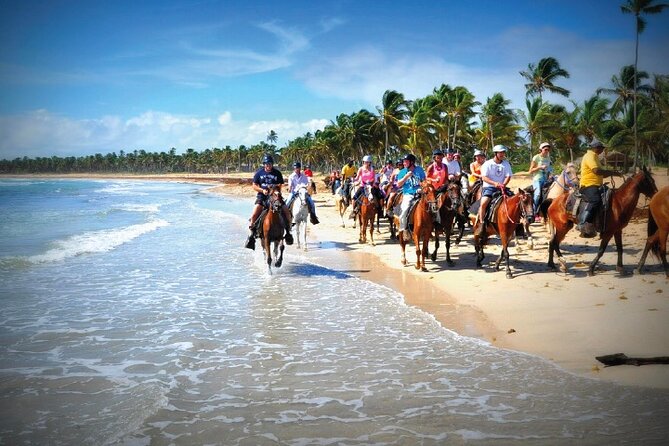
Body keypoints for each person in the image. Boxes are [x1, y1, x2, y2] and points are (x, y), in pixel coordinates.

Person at [245, 154, 293, 250]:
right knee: (254, 214)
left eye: (270, 163)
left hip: (275, 197)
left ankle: (288, 231)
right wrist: (262, 190)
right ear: (264, 164)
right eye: (266, 164)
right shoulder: (259, 173)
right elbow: (254, 186)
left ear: (272, 164)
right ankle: (252, 235)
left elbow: (280, 185)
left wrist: (274, 190)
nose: (268, 165)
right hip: (262, 197)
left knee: (286, 211)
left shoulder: (277, 173)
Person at [576, 138, 621, 237]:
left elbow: (602, 174)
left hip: (597, 184)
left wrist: (615, 173)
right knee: (595, 200)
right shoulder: (589, 156)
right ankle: (583, 222)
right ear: (596, 148)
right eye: (601, 148)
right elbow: (596, 171)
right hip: (588, 185)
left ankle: (602, 224)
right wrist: (612, 172)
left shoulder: (595, 157)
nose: (602, 150)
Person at [476, 144, 513, 237]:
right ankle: (482, 224)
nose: (502, 154)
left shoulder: (506, 164)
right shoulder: (487, 164)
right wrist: (494, 183)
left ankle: (518, 224)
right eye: (500, 152)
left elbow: (508, 176)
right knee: (483, 203)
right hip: (489, 187)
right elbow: (484, 177)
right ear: (495, 153)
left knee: (516, 201)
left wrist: (504, 184)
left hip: (502, 187)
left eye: (503, 152)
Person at [396, 153, 426, 238]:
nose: (404, 163)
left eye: (406, 161)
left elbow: (424, 181)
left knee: (432, 204)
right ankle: (404, 229)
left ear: (412, 162)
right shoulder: (402, 172)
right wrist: (406, 177)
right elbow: (398, 185)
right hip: (408, 194)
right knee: (404, 210)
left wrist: (421, 187)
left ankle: (434, 226)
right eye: (404, 162)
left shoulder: (419, 170)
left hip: (420, 193)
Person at [529, 142, 554, 218]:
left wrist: (551, 173)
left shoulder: (548, 158)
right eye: (545, 149)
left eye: (548, 150)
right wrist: (539, 167)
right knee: (537, 194)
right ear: (541, 150)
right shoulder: (536, 157)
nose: (547, 151)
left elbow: (550, 168)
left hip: (546, 179)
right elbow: (530, 170)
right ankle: (534, 211)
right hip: (538, 179)